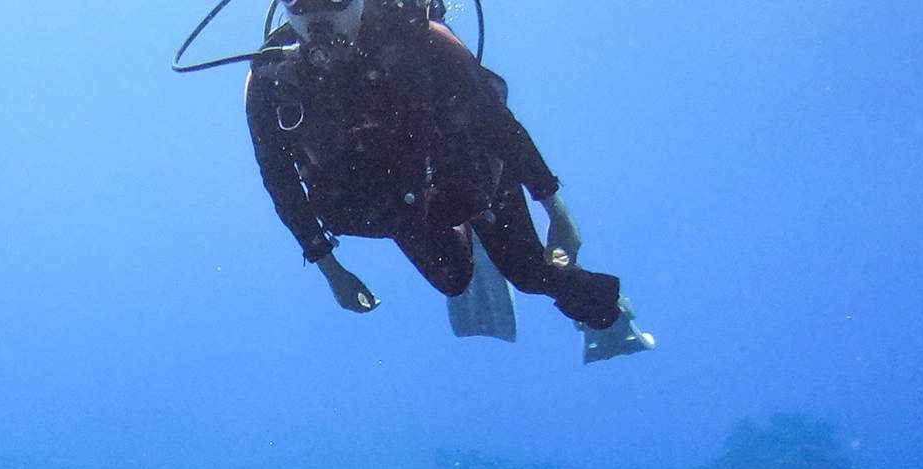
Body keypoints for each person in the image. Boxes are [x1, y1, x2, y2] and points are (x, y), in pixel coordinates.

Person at [244, 0, 652, 357]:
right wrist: (329, 268)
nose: (317, 15)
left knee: (529, 273)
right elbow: (279, 180)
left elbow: (498, 123)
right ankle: (471, 237)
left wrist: (556, 210)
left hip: (471, 174)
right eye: (299, 1)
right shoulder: (270, 81)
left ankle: (609, 314)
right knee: (453, 281)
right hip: (396, 199)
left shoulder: (422, 40)